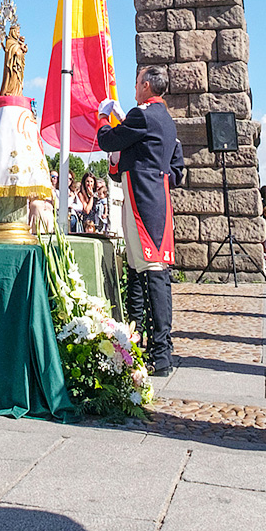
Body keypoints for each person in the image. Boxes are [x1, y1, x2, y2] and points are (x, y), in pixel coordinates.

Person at [100, 67, 184, 376]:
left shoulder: (143, 114)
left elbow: (108, 140)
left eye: (137, 83)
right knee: (139, 271)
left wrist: (103, 117)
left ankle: (160, 352)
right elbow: (134, 155)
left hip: (143, 201)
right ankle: (141, 344)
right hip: (153, 198)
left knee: (152, 273)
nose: (135, 88)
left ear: (146, 85)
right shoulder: (165, 119)